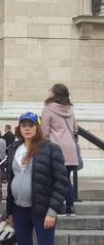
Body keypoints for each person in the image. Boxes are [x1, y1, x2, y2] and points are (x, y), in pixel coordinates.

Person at [2, 112, 68, 245]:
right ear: (19, 128)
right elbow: (12, 181)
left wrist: (52, 211)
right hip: (20, 211)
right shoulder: (14, 149)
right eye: (23, 125)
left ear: (37, 127)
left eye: (31, 125)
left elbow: (60, 182)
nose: (27, 129)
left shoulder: (50, 149)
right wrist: (10, 211)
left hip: (41, 212)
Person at [41, 83, 79, 217]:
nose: (48, 91)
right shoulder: (70, 109)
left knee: (59, 179)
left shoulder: (48, 109)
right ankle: (67, 206)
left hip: (56, 148)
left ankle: (67, 205)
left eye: (50, 90)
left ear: (54, 93)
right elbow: (75, 129)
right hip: (70, 148)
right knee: (65, 178)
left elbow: (44, 132)